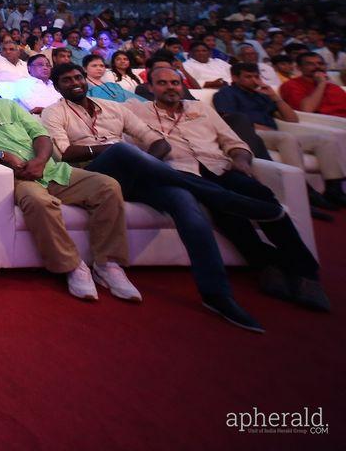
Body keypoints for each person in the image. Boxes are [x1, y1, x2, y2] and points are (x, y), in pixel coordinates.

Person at [42, 62, 280, 331]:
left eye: (78, 77)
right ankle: (220, 197)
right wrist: (111, 150)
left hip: (134, 176)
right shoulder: (54, 113)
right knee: (120, 150)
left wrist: (144, 165)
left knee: (185, 202)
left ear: (85, 79)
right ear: (56, 85)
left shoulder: (113, 108)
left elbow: (159, 142)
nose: (74, 82)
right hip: (92, 176)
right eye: (66, 80)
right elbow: (65, 153)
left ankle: (217, 295)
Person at [129, 63, 328, 312]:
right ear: (150, 87)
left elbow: (232, 141)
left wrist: (241, 161)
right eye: (162, 83)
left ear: (182, 86)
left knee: (260, 195)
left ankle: (302, 272)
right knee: (223, 209)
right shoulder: (137, 111)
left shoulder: (201, 109)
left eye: (174, 83)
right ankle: (268, 264)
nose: (170, 88)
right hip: (183, 173)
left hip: (220, 168)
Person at [0, 67, 138, 302]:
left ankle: (108, 264)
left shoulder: (9, 106)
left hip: (50, 169)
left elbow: (40, 135)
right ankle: (72, 266)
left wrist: (41, 160)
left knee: (107, 186)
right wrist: (2, 155)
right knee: (39, 202)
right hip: (15, 177)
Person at [215, 62, 346, 207]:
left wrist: (274, 96)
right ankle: (303, 189)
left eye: (256, 76)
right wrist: (264, 128)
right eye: (248, 77)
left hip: (275, 134)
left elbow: (292, 119)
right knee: (286, 137)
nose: (254, 80)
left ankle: (334, 190)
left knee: (325, 140)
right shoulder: (225, 93)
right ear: (235, 77)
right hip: (252, 135)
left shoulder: (262, 95)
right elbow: (230, 120)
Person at [279, 51, 346, 118]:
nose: (317, 66)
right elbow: (306, 110)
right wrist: (321, 84)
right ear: (299, 68)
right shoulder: (291, 85)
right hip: (323, 123)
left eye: (321, 63)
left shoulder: (333, 87)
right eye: (310, 64)